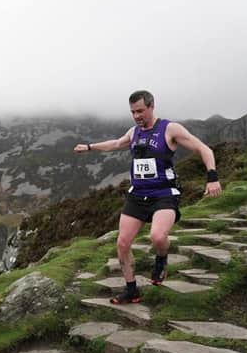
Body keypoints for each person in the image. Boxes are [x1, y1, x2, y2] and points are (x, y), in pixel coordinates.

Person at [74, 90, 222, 304]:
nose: (137, 116)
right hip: (137, 195)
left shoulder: (169, 129)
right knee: (123, 243)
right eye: (133, 112)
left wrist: (212, 177)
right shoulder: (134, 132)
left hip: (164, 194)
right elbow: (116, 144)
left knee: (158, 237)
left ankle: (161, 259)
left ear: (152, 106)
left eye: (141, 111)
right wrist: (89, 147)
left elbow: (203, 149)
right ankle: (131, 289)